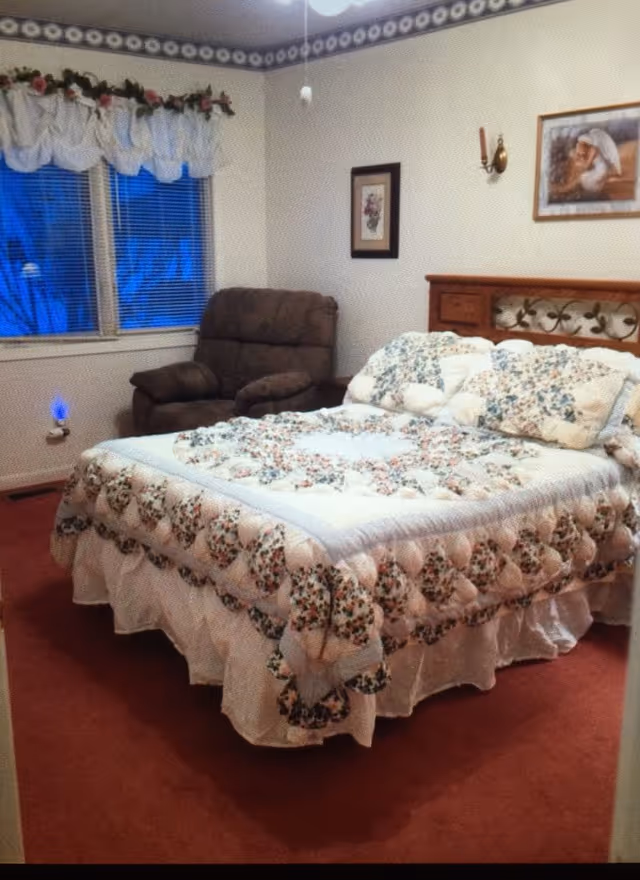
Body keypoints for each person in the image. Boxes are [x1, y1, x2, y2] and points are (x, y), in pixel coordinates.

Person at [550, 127, 622, 199]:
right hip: (597, 173)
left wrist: (582, 167)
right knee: (581, 177)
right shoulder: (582, 150)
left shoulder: (594, 149)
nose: (580, 146)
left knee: (583, 178)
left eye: (581, 143)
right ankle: (563, 189)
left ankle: (563, 189)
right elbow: (580, 157)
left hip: (600, 169)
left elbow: (587, 164)